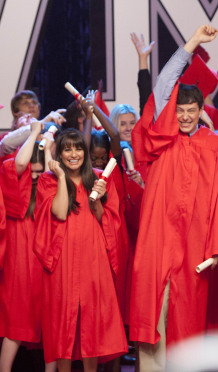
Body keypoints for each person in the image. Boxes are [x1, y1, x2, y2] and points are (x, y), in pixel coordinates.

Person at [129, 25, 218, 371]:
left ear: (201, 110)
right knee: (155, 312)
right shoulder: (161, 138)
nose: (185, 116)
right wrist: (192, 44)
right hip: (158, 238)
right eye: (180, 110)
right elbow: (163, 86)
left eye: (192, 110)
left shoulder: (216, 145)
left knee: (187, 315)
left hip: (194, 241)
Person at [34, 129, 127, 371]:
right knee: (63, 322)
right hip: (63, 255)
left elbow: (105, 220)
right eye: (67, 149)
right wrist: (62, 178)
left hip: (92, 254)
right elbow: (61, 211)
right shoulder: (48, 179)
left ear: (85, 153)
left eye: (78, 149)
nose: (73, 154)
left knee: (92, 320)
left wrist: (98, 201)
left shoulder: (98, 178)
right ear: (60, 154)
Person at [0, 121, 56, 372]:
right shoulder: (16, 186)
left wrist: (47, 147)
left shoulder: (48, 184)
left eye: (38, 172)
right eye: (31, 173)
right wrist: (35, 132)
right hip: (19, 263)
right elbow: (19, 165)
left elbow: (51, 169)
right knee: (17, 324)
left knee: (52, 326)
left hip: (45, 262)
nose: (34, 177)